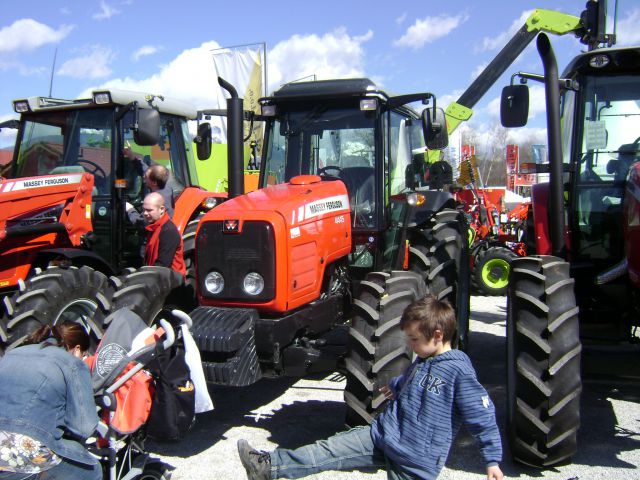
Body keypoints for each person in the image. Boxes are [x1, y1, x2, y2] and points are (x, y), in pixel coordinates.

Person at [237, 295, 504, 480]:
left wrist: (491, 460)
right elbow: (414, 381)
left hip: (414, 462)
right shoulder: (424, 360)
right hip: (382, 436)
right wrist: (397, 386)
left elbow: (482, 415)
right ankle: (268, 467)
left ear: (437, 335)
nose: (410, 344)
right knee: (329, 449)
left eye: (413, 339)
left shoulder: (459, 370)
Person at [0, 322, 101, 480]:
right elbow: (84, 428)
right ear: (77, 350)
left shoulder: (11, 354)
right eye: (84, 355)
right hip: (19, 453)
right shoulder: (73, 363)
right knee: (91, 469)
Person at [142, 191, 186, 276]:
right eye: (144, 210)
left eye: (149, 210)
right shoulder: (153, 227)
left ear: (161, 209)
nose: (145, 213)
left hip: (171, 283)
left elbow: (162, 265)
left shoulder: (168, 231)